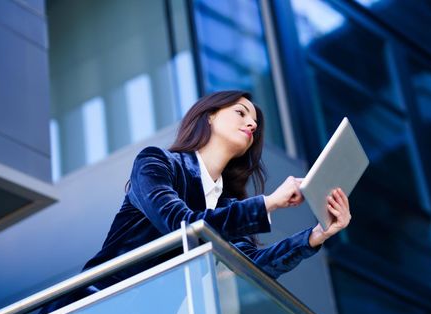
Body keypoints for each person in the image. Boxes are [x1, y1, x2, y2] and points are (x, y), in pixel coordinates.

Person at [82, 90, 351, 285]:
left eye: (255, 124)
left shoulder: (225, 206)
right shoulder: (156, 162)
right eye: (241, 112)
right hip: (87, 312)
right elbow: (180, 225)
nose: (252, 124)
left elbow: (253, 266)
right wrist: (269, 202)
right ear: (209, 116)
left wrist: (317, 234)